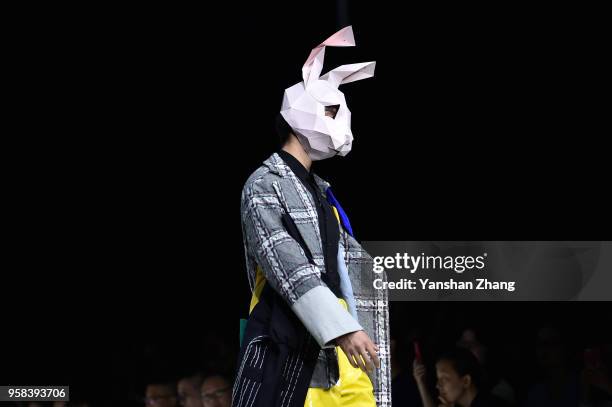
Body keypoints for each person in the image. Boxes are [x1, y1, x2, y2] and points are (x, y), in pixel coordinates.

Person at [233, 25, 390, 407]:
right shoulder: (264, 184)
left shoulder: (323, 193)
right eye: (331, 110)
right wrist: (342, 330)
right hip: (295, 348)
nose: (341, 122)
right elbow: (287, 265)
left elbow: (350, 274)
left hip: (345, 349)